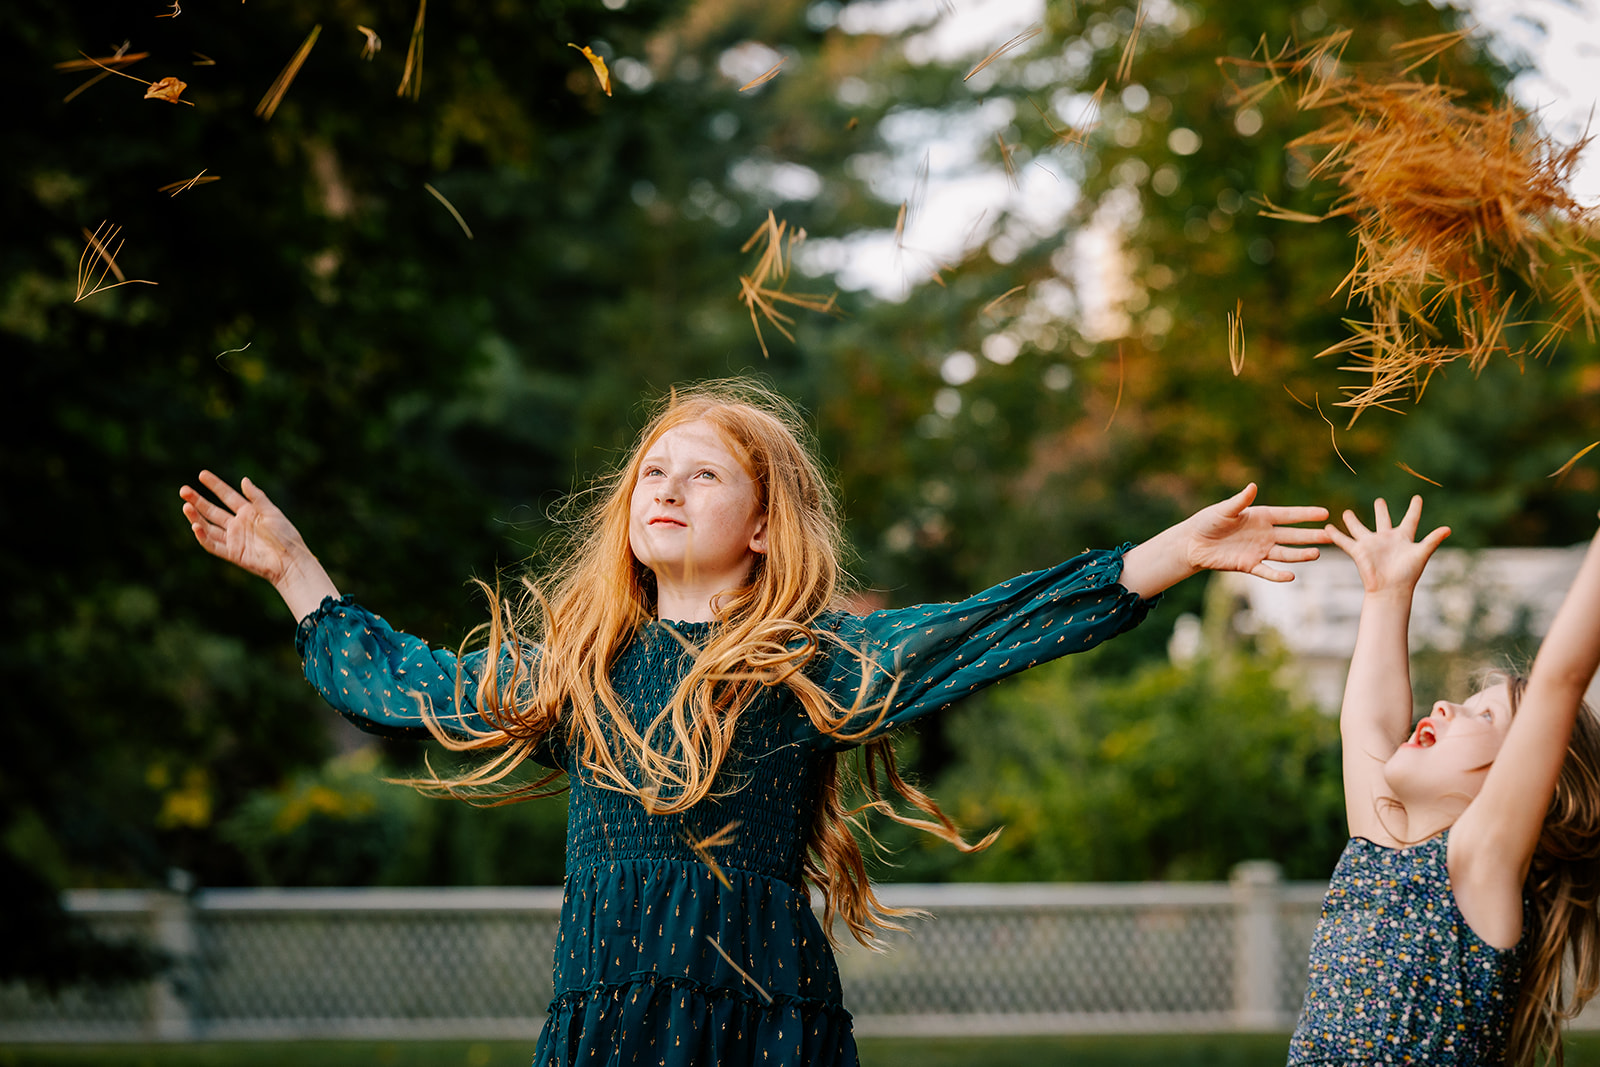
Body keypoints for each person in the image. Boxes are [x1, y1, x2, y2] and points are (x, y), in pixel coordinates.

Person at [181, 380, 1331, 1067]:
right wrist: (297, 574)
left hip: (762, 1018)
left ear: (767, 525)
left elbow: (985, 627)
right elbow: (403, 685)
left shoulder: (814, 663)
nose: (667, 487)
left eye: (704, 475)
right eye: (653, 472)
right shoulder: (578, 666)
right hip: (606, 1018)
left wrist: (1161, 557)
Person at [1289, 497, 1600, 1066]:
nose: (1444, 705)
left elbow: (1560, 678)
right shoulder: (1377, 849)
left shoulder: (1478, 867)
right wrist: (1386, 594)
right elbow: (1369, 721)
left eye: (1486, 717)